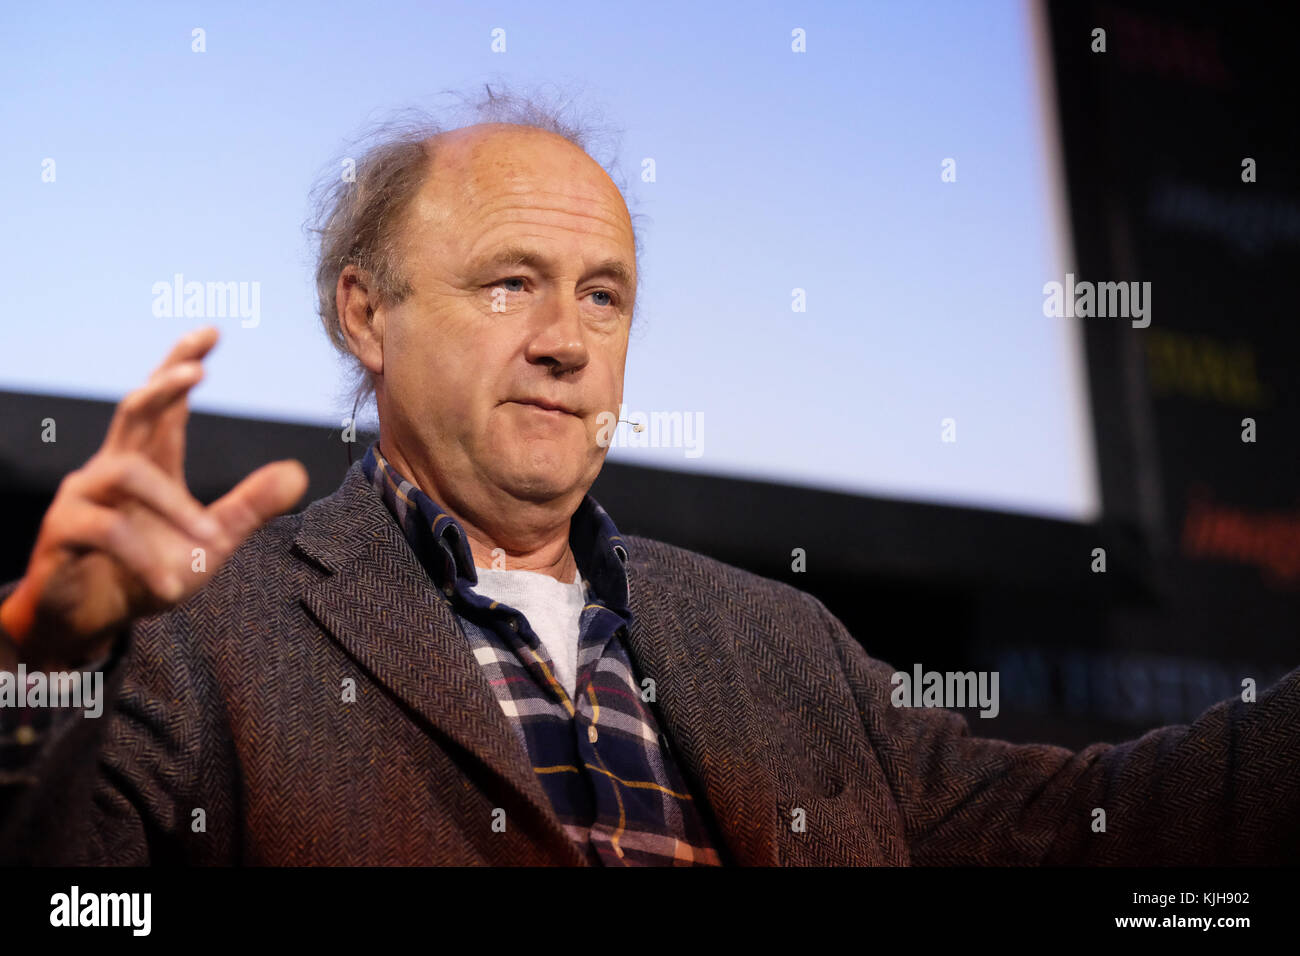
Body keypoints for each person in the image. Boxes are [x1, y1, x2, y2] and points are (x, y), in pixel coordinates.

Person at [1, 91, 1296, 865]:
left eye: (603, 295)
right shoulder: (210, 635)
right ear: (366, 314)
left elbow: (1080, 829)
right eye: (510, 284)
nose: (566, 339)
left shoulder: (780, 644)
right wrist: (39, 655)